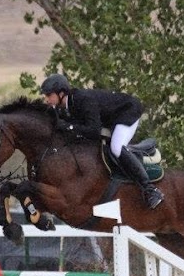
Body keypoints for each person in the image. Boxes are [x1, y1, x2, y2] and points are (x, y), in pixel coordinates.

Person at [39, 73, 164, 210]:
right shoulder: (64, 107)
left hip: (127, 112)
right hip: (111, 119)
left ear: (61, 93)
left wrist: (70, 127)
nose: (46, 99)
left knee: (116, 147)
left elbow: (93, 130)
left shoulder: (83, 100)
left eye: (48, 95)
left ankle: (150, 190)